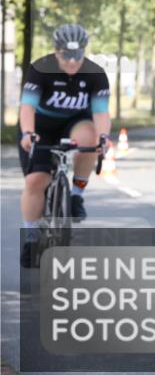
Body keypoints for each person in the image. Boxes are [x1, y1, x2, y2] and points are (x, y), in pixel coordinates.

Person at [19, 23, 111, 268]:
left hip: (74, 123)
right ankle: (30, 237)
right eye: (66, 55)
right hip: (41, 126)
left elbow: (101, 112)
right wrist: (28, 133)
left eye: (77, 55)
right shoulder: (41, 68)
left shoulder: (95, 73)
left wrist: (104, 138)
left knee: (90, 138)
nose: (72, 61)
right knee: (36, 181)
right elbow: (27, 106)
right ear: (56, 51)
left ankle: (76, 195)